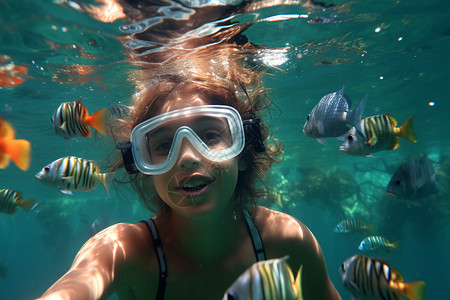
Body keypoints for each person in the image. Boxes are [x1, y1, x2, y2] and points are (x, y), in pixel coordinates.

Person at [36, 42, 341, 299]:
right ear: (142, 166)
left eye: (210, 136)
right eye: (164, 145)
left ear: (244, 151)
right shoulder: (124, 251)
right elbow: (75, 286)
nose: (187, 158)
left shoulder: (287, 240)